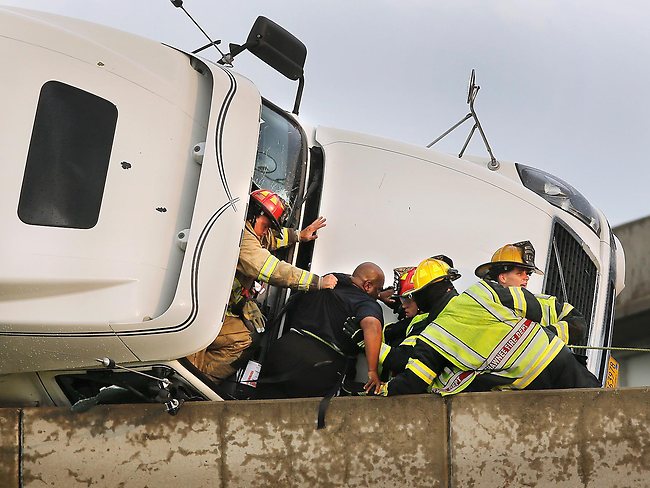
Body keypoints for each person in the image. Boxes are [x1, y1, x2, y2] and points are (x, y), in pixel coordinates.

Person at [376, 256, 600, 397]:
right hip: (558, 358)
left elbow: (414, 381)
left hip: (529, 383)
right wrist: (548, 335)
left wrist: (383, 389)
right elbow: (557, 310)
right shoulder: (482, 292)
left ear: (422, 295)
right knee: (607, 412)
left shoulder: (433, 336)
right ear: (448, 283)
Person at [187, 189, 337, 383]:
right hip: (201, 310)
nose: (267, 231)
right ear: (254, 215)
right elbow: (272, 270)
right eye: (266, 225)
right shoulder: (244, 239)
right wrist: (316, 282)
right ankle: (194, 380)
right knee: (227, 342)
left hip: (211, 304)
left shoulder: (246, 227)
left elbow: (270, 238)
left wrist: (298, 236)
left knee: (244, 337)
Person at [255, 262, 385, 399]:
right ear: (368, 286)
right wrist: (372, 371)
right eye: (379, 290)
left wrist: (379, 294)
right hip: (318, 365)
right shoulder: (366, 303)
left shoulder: (327, 282)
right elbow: (371, 325)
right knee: (303, 417)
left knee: (260, 409)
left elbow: (349, 279)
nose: (378, 295)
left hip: (283, 351)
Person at [474, 241, 587, 347]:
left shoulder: (546, 304)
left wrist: (542, 336)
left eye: (528, 273)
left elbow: (579, 324)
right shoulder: (483, 307)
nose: (526, 277)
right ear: (502, 277)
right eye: (519, 273)